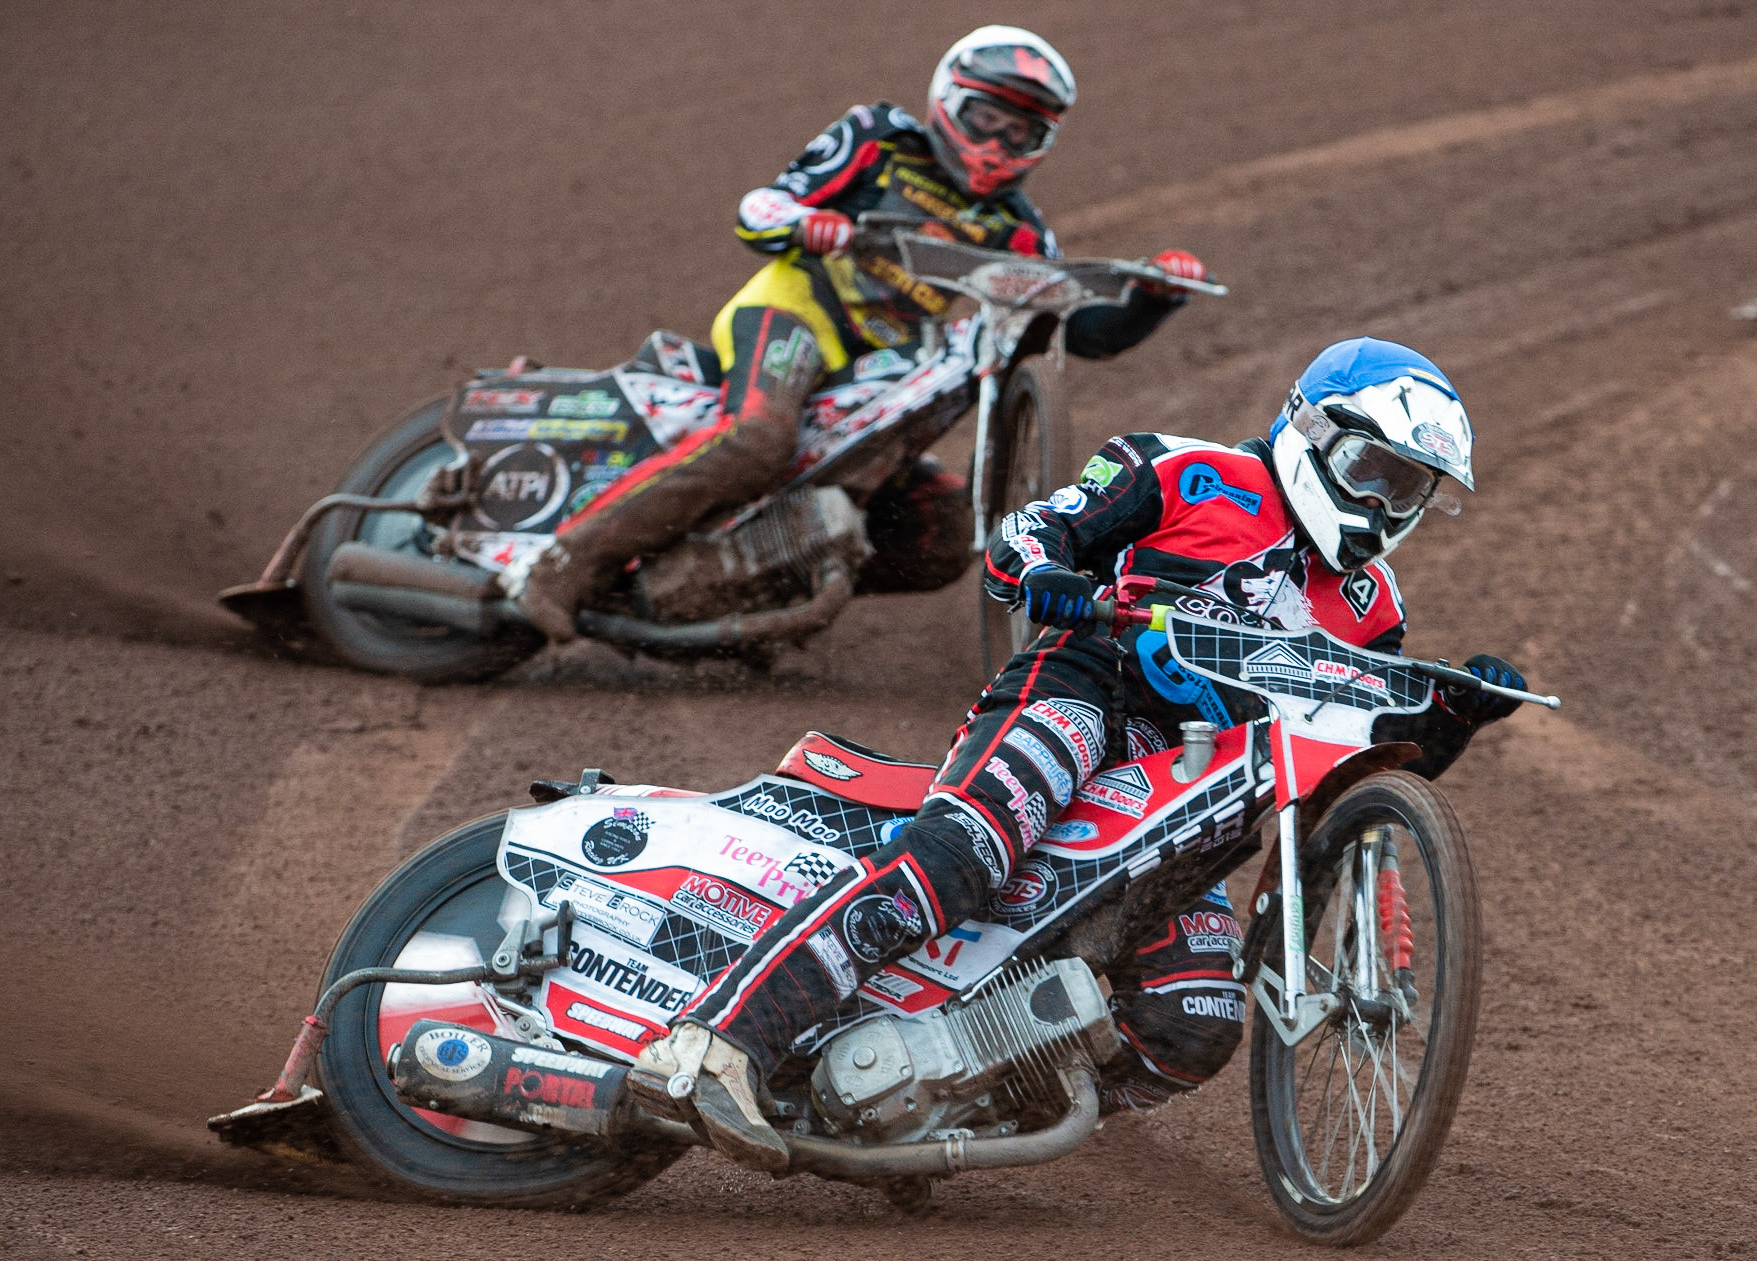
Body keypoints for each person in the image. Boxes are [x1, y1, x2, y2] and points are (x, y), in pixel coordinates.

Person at [628, 336, 1528, 1171]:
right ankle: (711, 1044)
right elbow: (1026, 534)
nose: (1380, 503)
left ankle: (950, 1103)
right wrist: (1049, 574)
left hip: (1191, 783)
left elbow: (1362, 767)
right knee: (957, 859)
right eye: (1371, 470)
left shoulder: (1373, 606)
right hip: (1083, 689)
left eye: (1406, 488)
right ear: (1314, 432)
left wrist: (1450, 716)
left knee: (1195, 1021)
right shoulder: (1184, 469)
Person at [512, 25, 1210, 641]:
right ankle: (564, 561)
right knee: (757, 436)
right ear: (947, 99)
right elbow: (760, 206)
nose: (997, 143)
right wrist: (803, 222)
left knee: (941, 533)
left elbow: (1083, 332)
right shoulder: (878, 140)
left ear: (1041, 144)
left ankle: (739, 591)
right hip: (796, 311)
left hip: (883, 367)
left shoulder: (1019, 231)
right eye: (985, 117)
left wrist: (1154, 297)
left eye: (1019, 132)